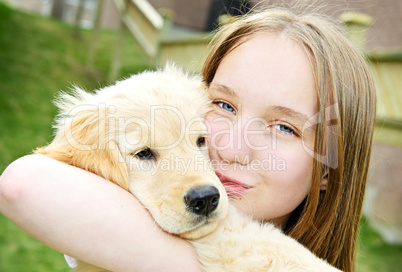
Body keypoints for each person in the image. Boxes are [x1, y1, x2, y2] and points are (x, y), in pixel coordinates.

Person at [0, 5, 376, 272]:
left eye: (284, 128)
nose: (230, 148)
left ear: (329, 166)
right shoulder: (119, 220)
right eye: (224, 106)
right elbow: (22, 184)